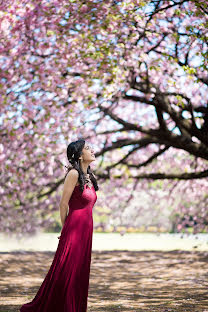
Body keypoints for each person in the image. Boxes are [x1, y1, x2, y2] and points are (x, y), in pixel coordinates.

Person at [20, 139, 98, 312]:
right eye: (87, 148)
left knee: (79, 271)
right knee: (67, 270)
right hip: (74, 230)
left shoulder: (90, 177)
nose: (92, 150)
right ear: (79, 155)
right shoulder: (73, 175)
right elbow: (63, 204)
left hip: (86, 230)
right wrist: (65, 231)